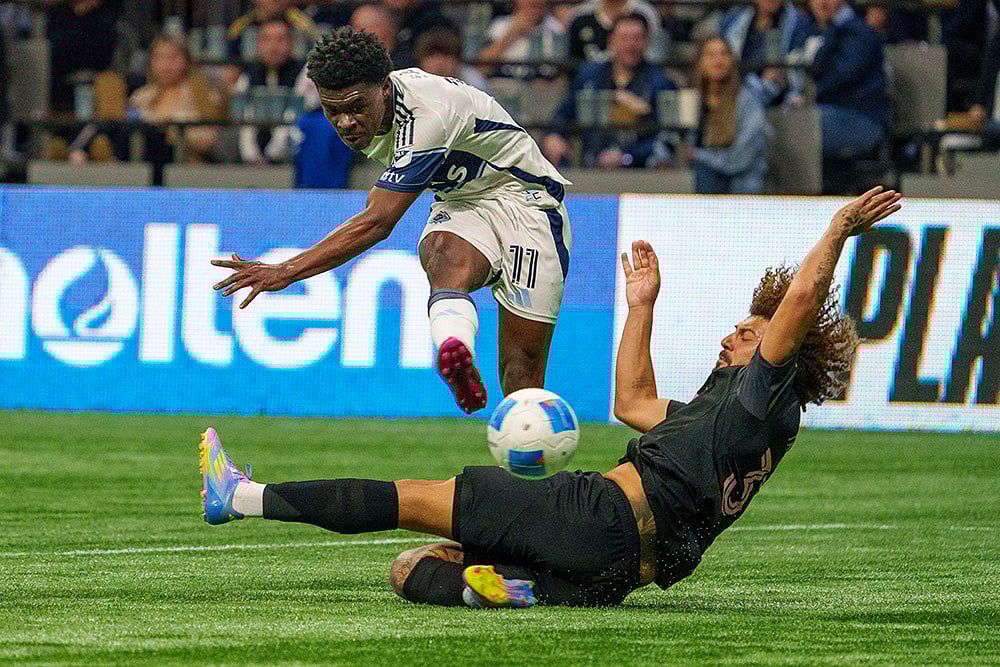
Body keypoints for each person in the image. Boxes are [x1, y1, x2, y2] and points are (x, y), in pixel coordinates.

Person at [200, 187, 903, 608]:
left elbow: (805, 297)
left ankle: (239, 496)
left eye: (749, 334)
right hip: (619, 571)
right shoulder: (740, 425)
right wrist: (642, 306)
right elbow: (632, 401)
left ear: (784, 349)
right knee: (413, 569)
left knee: (412, 497)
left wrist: (837, 229)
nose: (732, 338)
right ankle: (505, 590)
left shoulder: (762, 395)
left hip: (596, 513)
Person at [211, 27, 572, 414]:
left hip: (529, 203)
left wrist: (287, 271)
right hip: (463, 201)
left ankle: (528, 455)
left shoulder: (429, 113)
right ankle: (455, 350)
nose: (346, 122)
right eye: (334, 110)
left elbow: (378, 221)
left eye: (355, 107)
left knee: (521, 372)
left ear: (385, 87)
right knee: (440, 252)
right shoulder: (371, 108)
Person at [543, 14, 677, 169]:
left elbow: (668, 137)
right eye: (624, 38)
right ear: (611, 41)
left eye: (636, 38)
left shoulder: (660, 82)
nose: (630, 45)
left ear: (646, 42)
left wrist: (628, 156)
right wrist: (554, 135)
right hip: (591, 163)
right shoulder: (590, 75)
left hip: (640, 168)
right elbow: (564, 113)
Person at [806, 0, 889, 162]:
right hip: (828, 110)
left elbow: (841, 76)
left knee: (799, 125)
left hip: (861, 118)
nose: (823, 2)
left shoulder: (857, 31)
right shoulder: (806, 29)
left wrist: (808, 94)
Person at [686, 37, 769, 194]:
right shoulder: (690, 100)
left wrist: (699, 155)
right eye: (710, 55)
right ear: (700, 62)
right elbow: (673, 141)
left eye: (724, 54)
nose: (718, 60)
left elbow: (740, 158)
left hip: (741, 179)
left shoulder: (748, 101)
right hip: (702, 176)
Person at [129, 34, 225, 164]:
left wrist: (176, 134)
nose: (166, 65)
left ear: (186, 60)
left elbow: (212, 137)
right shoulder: (141, 97)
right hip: (144, 165)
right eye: (160, 57)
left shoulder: (201, 93)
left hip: (188, 167)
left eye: (173, 57)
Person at [233, 19, 304, 165]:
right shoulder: (248, 74)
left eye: (280, 40)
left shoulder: (304, 72)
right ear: (258, 44)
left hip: (291, 149)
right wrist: (251, 155)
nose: (273, 47)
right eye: (267, 40)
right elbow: (244, 116)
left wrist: (273, 154)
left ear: (292, 43)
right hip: (254, 150)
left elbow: (295, 114)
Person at [718, 0, 811, 106]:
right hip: (739, 90)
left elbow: (798, 65)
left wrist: (783, 74)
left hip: (780, 95)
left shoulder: (798, 23)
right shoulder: (732, 20)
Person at [478, 0, 566, 81]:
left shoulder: (557, 29)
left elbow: (558, 73)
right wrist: (512, 33)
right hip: (503, 85)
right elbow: (481, 69)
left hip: (541, 89)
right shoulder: (499, 26)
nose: (534, 2)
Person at [567, 0, 664, 64]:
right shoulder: (580, 15)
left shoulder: (645, 13)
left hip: (639, 82)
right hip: (588, 86)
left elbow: (654, 56)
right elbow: (570, 60)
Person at [414, 28, 492, 95]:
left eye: (446, 55)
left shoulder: (474, 83)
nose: (439, 62)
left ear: (457, 60)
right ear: (421, 59)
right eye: (432, 56)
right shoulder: (410, 85)